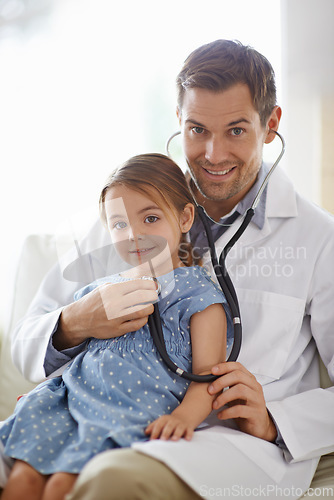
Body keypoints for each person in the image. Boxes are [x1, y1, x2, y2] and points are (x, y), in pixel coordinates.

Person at [5, 39, 334, 499]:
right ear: (178, 122)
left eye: (237, 130)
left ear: (271, 124)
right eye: (198, 129)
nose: (214, 154)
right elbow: (24, 341)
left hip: (229, 445)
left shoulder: (319, 239)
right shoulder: (126, 213)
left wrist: (275, 419)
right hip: (103, 414)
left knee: (109, 479)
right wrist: (77, 322)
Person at [0, 154, 231, 500]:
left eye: (150, 218)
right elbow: (76, 356)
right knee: (21, 482)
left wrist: (184, 417)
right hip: (66, 403)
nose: (134, 235)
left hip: (125, 410)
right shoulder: (101, 291)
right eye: (119, 225)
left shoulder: (199, 298)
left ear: (184, 217)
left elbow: (207, 376)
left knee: (63, 486)